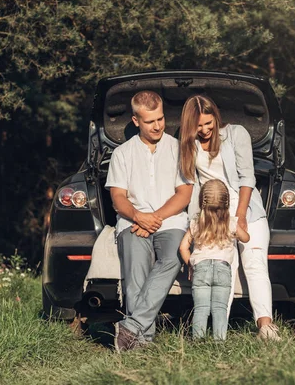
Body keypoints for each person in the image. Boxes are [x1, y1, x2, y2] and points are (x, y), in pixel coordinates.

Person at [179, 94, 280, 341]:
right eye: (198, 126)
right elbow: (191, 185)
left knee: (255, 263)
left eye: (208, 124)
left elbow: (247, 178)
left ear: (216, 116)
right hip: (211, 213)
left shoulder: (236, 134)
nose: (204, 130)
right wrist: (195, 223)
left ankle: (266, 327)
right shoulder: (188, 144)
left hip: (244, 207)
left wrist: (241, 215)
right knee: (223, 266)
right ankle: (216, 334)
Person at [106, 90, 193, 352]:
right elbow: (117, 198)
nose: (157, 126)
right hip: (132, 223)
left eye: (161, 119)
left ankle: (130, 327)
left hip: (171, 222)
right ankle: (141, 343)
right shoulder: (122, 153)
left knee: (173, 258)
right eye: (149, 121)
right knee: (136, 274)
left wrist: (154, 219)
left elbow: (185, 193)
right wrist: (139, 217)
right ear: (136, 121)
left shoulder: (179, 149)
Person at [179, 179, 250, 340]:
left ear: (201, 201)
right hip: (222, 269)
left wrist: (190, 264)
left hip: (201, 269)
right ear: (227, 202)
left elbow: (183, 247)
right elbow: (246, 238)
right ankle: (219, 343)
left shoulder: (196, 223)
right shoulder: (230, 223)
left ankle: (198, 342)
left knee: (201, 308)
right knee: (220, 308)